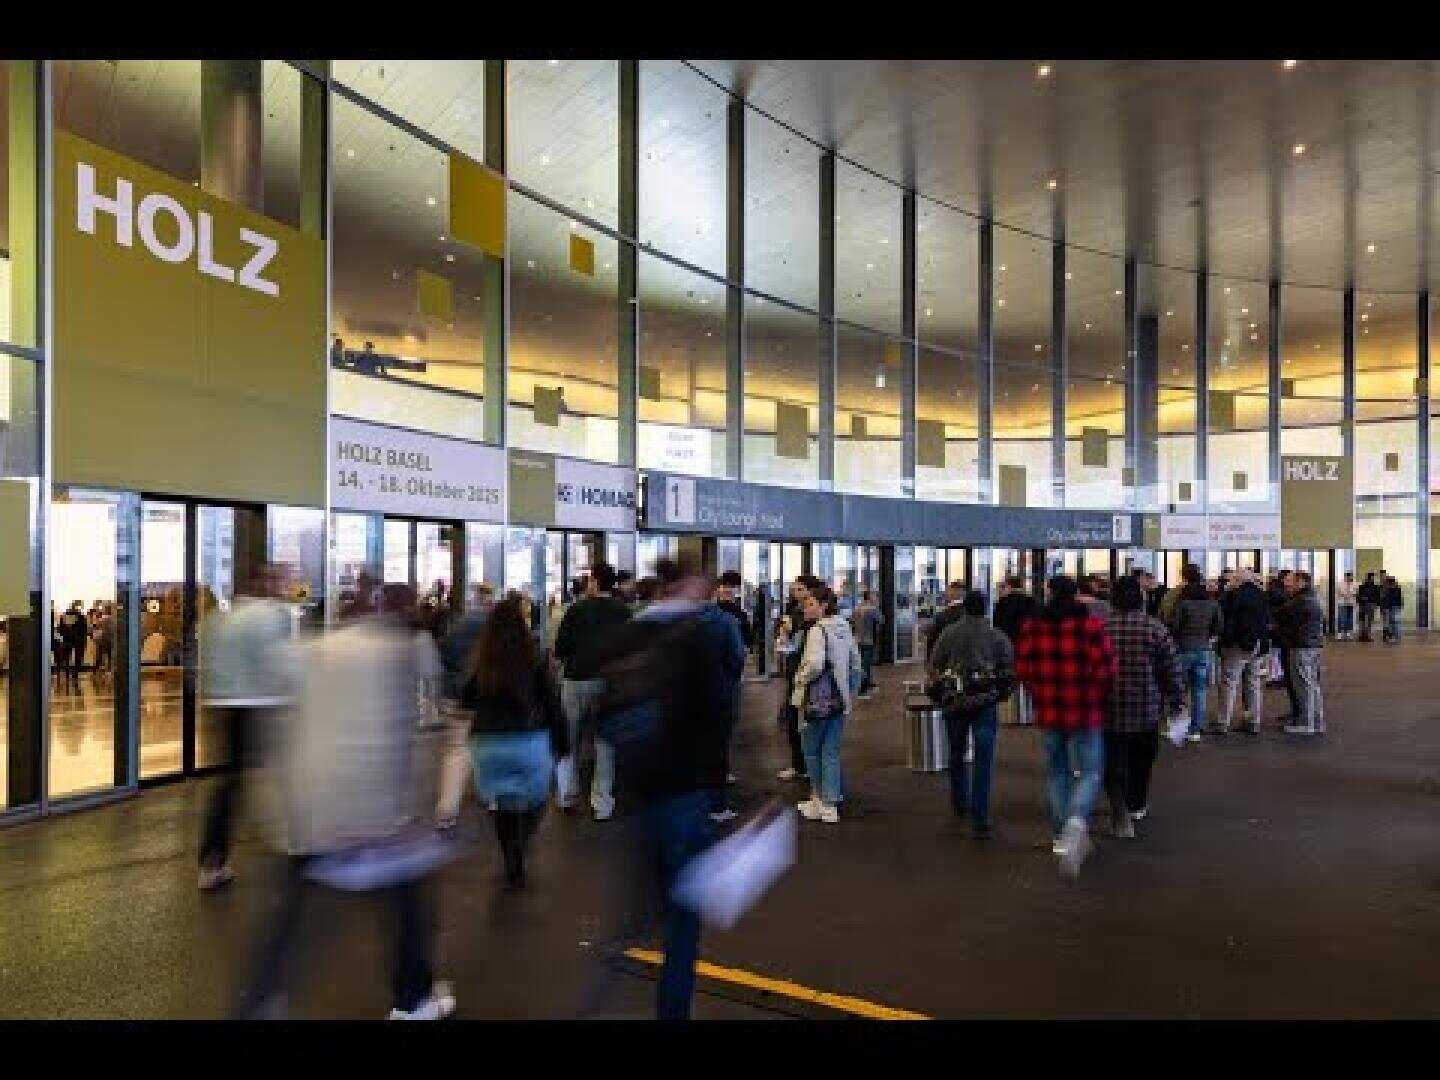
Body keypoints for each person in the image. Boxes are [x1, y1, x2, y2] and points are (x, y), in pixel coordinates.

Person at [237, 583, 455, 1020]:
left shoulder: (313, 650)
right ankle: (413, 999)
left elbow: (282, 718)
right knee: (407, 904)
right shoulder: (402, 652)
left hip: (311, 803)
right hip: (373, 805)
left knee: (291, 913)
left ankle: (260, 1001)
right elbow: (409, 733)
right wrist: (418, 807)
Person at [585, 557, 729, 1020]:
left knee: (631, 920)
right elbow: (718, 720)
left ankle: (591, 1003)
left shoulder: (627, 635)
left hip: (636, 799)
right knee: (683, 920)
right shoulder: (697, 639)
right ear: (687, 585)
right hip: (683, 797)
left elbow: (600, 715)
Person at [197, 564, 293, 891]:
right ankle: (297, 840)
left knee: (230, 783)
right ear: (265, 584)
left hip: (224, 707)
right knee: (285, 773)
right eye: (280, 581)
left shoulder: (217, 620)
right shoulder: (273, 616)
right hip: (263, 705)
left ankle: (212, 861)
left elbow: (208, 667)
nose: (284, 587)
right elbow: (282, 664)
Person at [463, 594, 568, 889]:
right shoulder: (536, 658)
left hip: (488, 744)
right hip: (528, 741)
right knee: (536, 801)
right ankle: (522, 839)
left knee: (504, 805)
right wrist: (562, 741)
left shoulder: (482, 660)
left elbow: (467, 698)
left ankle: (511, 856)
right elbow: (552, 704)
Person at [1015, 575, 1117, 878]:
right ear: (1076, 595)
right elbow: (1106, 669)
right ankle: (1075, 822)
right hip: (1085, 710)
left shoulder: (1033, 627)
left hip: (1049, 710)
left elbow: (1023, 669)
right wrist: (1096, 695)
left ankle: (1061, 837)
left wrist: (1039, 692)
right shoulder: (1090, 627)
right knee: (1090, 772)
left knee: (1056, 772)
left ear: (1049, 593)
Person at [928, 589, 1014, 839]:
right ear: (985, 608)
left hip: (955, 702)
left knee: (956, 753)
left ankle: (959, 800)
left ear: (964, 607)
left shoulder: (949, 633)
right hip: (984, 703)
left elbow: (934, 664)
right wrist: (999, 692)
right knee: (984, 759)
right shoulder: (996, 635)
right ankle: (980, 816)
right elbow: (1008, 669)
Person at [1102, 575, 1184, 836]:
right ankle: (1136, 803)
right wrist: (1177, 701)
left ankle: (1119, 808)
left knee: (1113, 761)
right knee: (1142, 760)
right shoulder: (1155, 628)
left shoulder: (1100, 628)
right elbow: (1171, 670)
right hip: (1145, 707)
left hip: (1108, 706)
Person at [552, 563, 633, 820]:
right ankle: (602, 804)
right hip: (609, 683)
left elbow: (560, 649)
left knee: (569, 739)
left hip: (576, 680)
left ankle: (567, 795)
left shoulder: (576, 610)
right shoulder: (623, 611)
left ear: (594, 582)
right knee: (605, 743)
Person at [791, 584, 861, 824]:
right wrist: (848, 692)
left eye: (811, 604)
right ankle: (830, 803)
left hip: (815, 701)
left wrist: (800, 678)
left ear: (824, 606)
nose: (806, 608)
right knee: (830, 751)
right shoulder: (844, 626)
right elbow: (855, 664)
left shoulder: (817, 630)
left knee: (811, 751)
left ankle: (819, 800)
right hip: (838, 701)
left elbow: (815, 664)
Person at [434, 582, 499, 829]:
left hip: (455, 697)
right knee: (488, 746)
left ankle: (447, 809)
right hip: (483, 698)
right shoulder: (492, 628)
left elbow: (443, 653)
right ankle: (492, 797)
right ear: (489, 600)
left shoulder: (458, 625)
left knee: (456, 751)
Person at [702, 576, 748, 822]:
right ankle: (717, 806)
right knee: (718, 749)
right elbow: (737, 658)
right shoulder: (726, 621)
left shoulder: (682, 622)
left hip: (690, 698)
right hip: (721, 694)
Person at [1166, 563, 1222, 742]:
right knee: (1200, 691)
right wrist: (1209, 638)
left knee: (1179, 690)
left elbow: (1174, 626)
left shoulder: (1183, 604)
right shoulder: (1213, 604)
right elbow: (1219, 626)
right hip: (1204, 650)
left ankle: (1178, 728)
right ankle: (1195, 730)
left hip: (1183, 649)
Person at [1215, 568, 1270, 735]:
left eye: (1232, 579)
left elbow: (1228, 621)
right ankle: (1254, 722)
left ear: (1237, 581)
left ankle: (1223, 722)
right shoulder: (1261, 595)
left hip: (1238, 645)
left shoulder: (1233, 596)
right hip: (1258, 644)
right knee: (1253, 683)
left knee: (1229, 683)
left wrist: (1224, 643)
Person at [775, 577, 816, 783]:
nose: (795, 592)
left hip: (806, 675)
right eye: (793, 589)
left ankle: (808, 767)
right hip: (794, 673)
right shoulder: (793, 612)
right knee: (793, 722)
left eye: (800, 589)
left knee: (805, 723)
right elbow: (790, 641)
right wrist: (784, 634)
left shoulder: (813, 618)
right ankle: (799, 765)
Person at [1280, 571, 1326, 735]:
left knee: (1303, 686)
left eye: (1291, 582)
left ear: (1301, 583)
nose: (1287, 585)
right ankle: (1317, 722)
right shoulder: (1313, 598)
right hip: (1313, 646)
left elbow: (1286, 620)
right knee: (1312, 685)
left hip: (1302, 647)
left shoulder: (1301, 601)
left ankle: (1307, 724)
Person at [992, 576, 1039, 725]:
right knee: (1030, 679)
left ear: (1009, 586)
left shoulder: (1002, 603)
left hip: (1008, 645)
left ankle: (1011, 714)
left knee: (1010, 679)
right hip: (1028, 645)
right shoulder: (1032, 602)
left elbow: (997, 626)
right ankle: (1030, 714)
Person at [1269, 569, 1302, 724]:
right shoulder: (1288, 597)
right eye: (1288, 581)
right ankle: (1297, 711)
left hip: (1291, 642)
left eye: (1292, 582)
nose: (1290, 585)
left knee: (1296, 680)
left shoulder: (1296, 599)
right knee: (1292, 679)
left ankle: (1299, 713)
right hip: (1287, 641)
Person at [850, 588, 883, 698]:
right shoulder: (872, 609)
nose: (876, 598)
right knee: (866, 665)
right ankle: (862, 689)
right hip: (868, 640)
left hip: (858, 640)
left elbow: (852, 622)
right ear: (870, 597)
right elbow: (881, 620)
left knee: (862, 664)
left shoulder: (857, 608)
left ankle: (867, 684)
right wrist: (876, 607)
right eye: (874, 596)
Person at [924, 580, 968, 660]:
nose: (946, 594)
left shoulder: (943, 616)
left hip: (947, 658)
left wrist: (929, 659)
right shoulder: (969, 615)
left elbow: (933, 640)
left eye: (949, 592)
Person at [57, 600, 88, 691]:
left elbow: (60, 629)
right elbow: (84, 629)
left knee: (67, 657)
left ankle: (67, 672)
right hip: (78, 640)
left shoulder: (64, 616)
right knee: (77, 658)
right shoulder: (81, 616)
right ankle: (75, 674)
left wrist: (64, 635)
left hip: (67, 639)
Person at [1356, 571, 1381, 642]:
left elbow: (1358, 596)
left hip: (1364, 604)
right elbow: (1377, 596)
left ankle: (1362, 635)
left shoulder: (1362, 586)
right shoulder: (1375, 587)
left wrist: (1361, 600)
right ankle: (1367, 635)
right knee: (1369, 621)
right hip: (1370, 604)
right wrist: (1376, 604)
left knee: (1363, 621)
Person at [1380, 575, 1404, 644]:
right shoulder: (1397, 588)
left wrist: (1385, 607)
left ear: (1389, 582)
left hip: (1392, 607)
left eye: (1387, 582)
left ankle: (1394, 637)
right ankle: (1395, 636)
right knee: (1394, 622)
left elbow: (1388, 599)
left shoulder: (1390, 589)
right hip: (1395, 607)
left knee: (1393, 622)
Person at [1336, 572, 1358, 641]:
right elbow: (1340, 592)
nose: (1349, 578)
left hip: (1350, 604)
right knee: (1342, 619)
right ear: (1345, 577)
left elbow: (1356, 592)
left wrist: (1351, 594)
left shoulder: (1354, 584)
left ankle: (1348, 633)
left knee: (1350, 619)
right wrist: (1346, 594)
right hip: (1342, 604)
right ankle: (1340, 633)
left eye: (1350, 577)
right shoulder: (1341, 584)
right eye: (1348, 577)